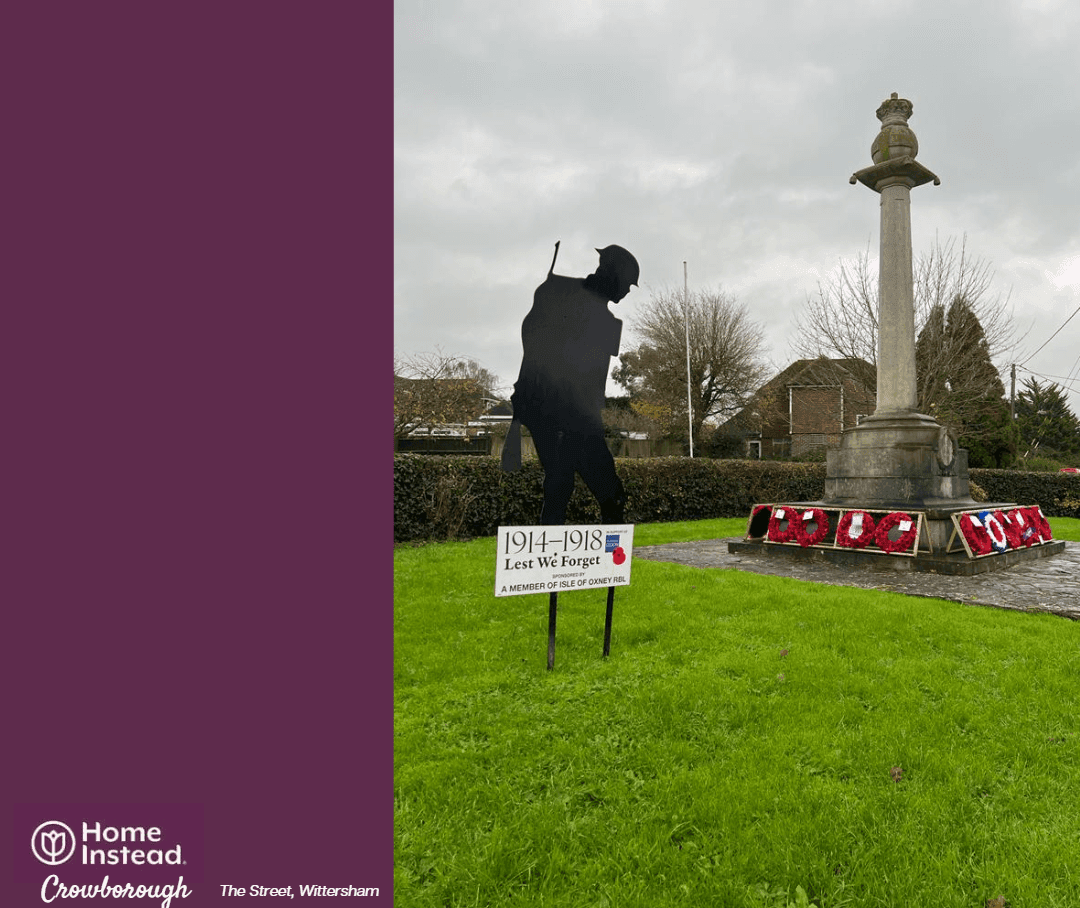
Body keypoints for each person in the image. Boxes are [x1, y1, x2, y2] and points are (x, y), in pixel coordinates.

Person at [502, 243, 639, 525]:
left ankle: (550, 563)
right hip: (569, 416)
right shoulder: (581, 307)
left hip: (551, 414)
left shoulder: (559, 295)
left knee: (559, 486)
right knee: (608, 494)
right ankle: (609, 561)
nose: (627, 291)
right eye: (626, 284)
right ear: (613, 276)